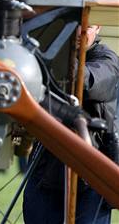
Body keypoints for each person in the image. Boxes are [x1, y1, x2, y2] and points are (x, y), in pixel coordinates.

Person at [23, 24, 119, 224]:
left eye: (88, 26)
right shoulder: (55, 56)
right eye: (74, 25)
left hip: (91, 175)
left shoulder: (106, 60)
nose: (80, 32)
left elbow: (86, 82)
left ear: (98, 28)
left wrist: (50, 56)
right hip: (45, 168)